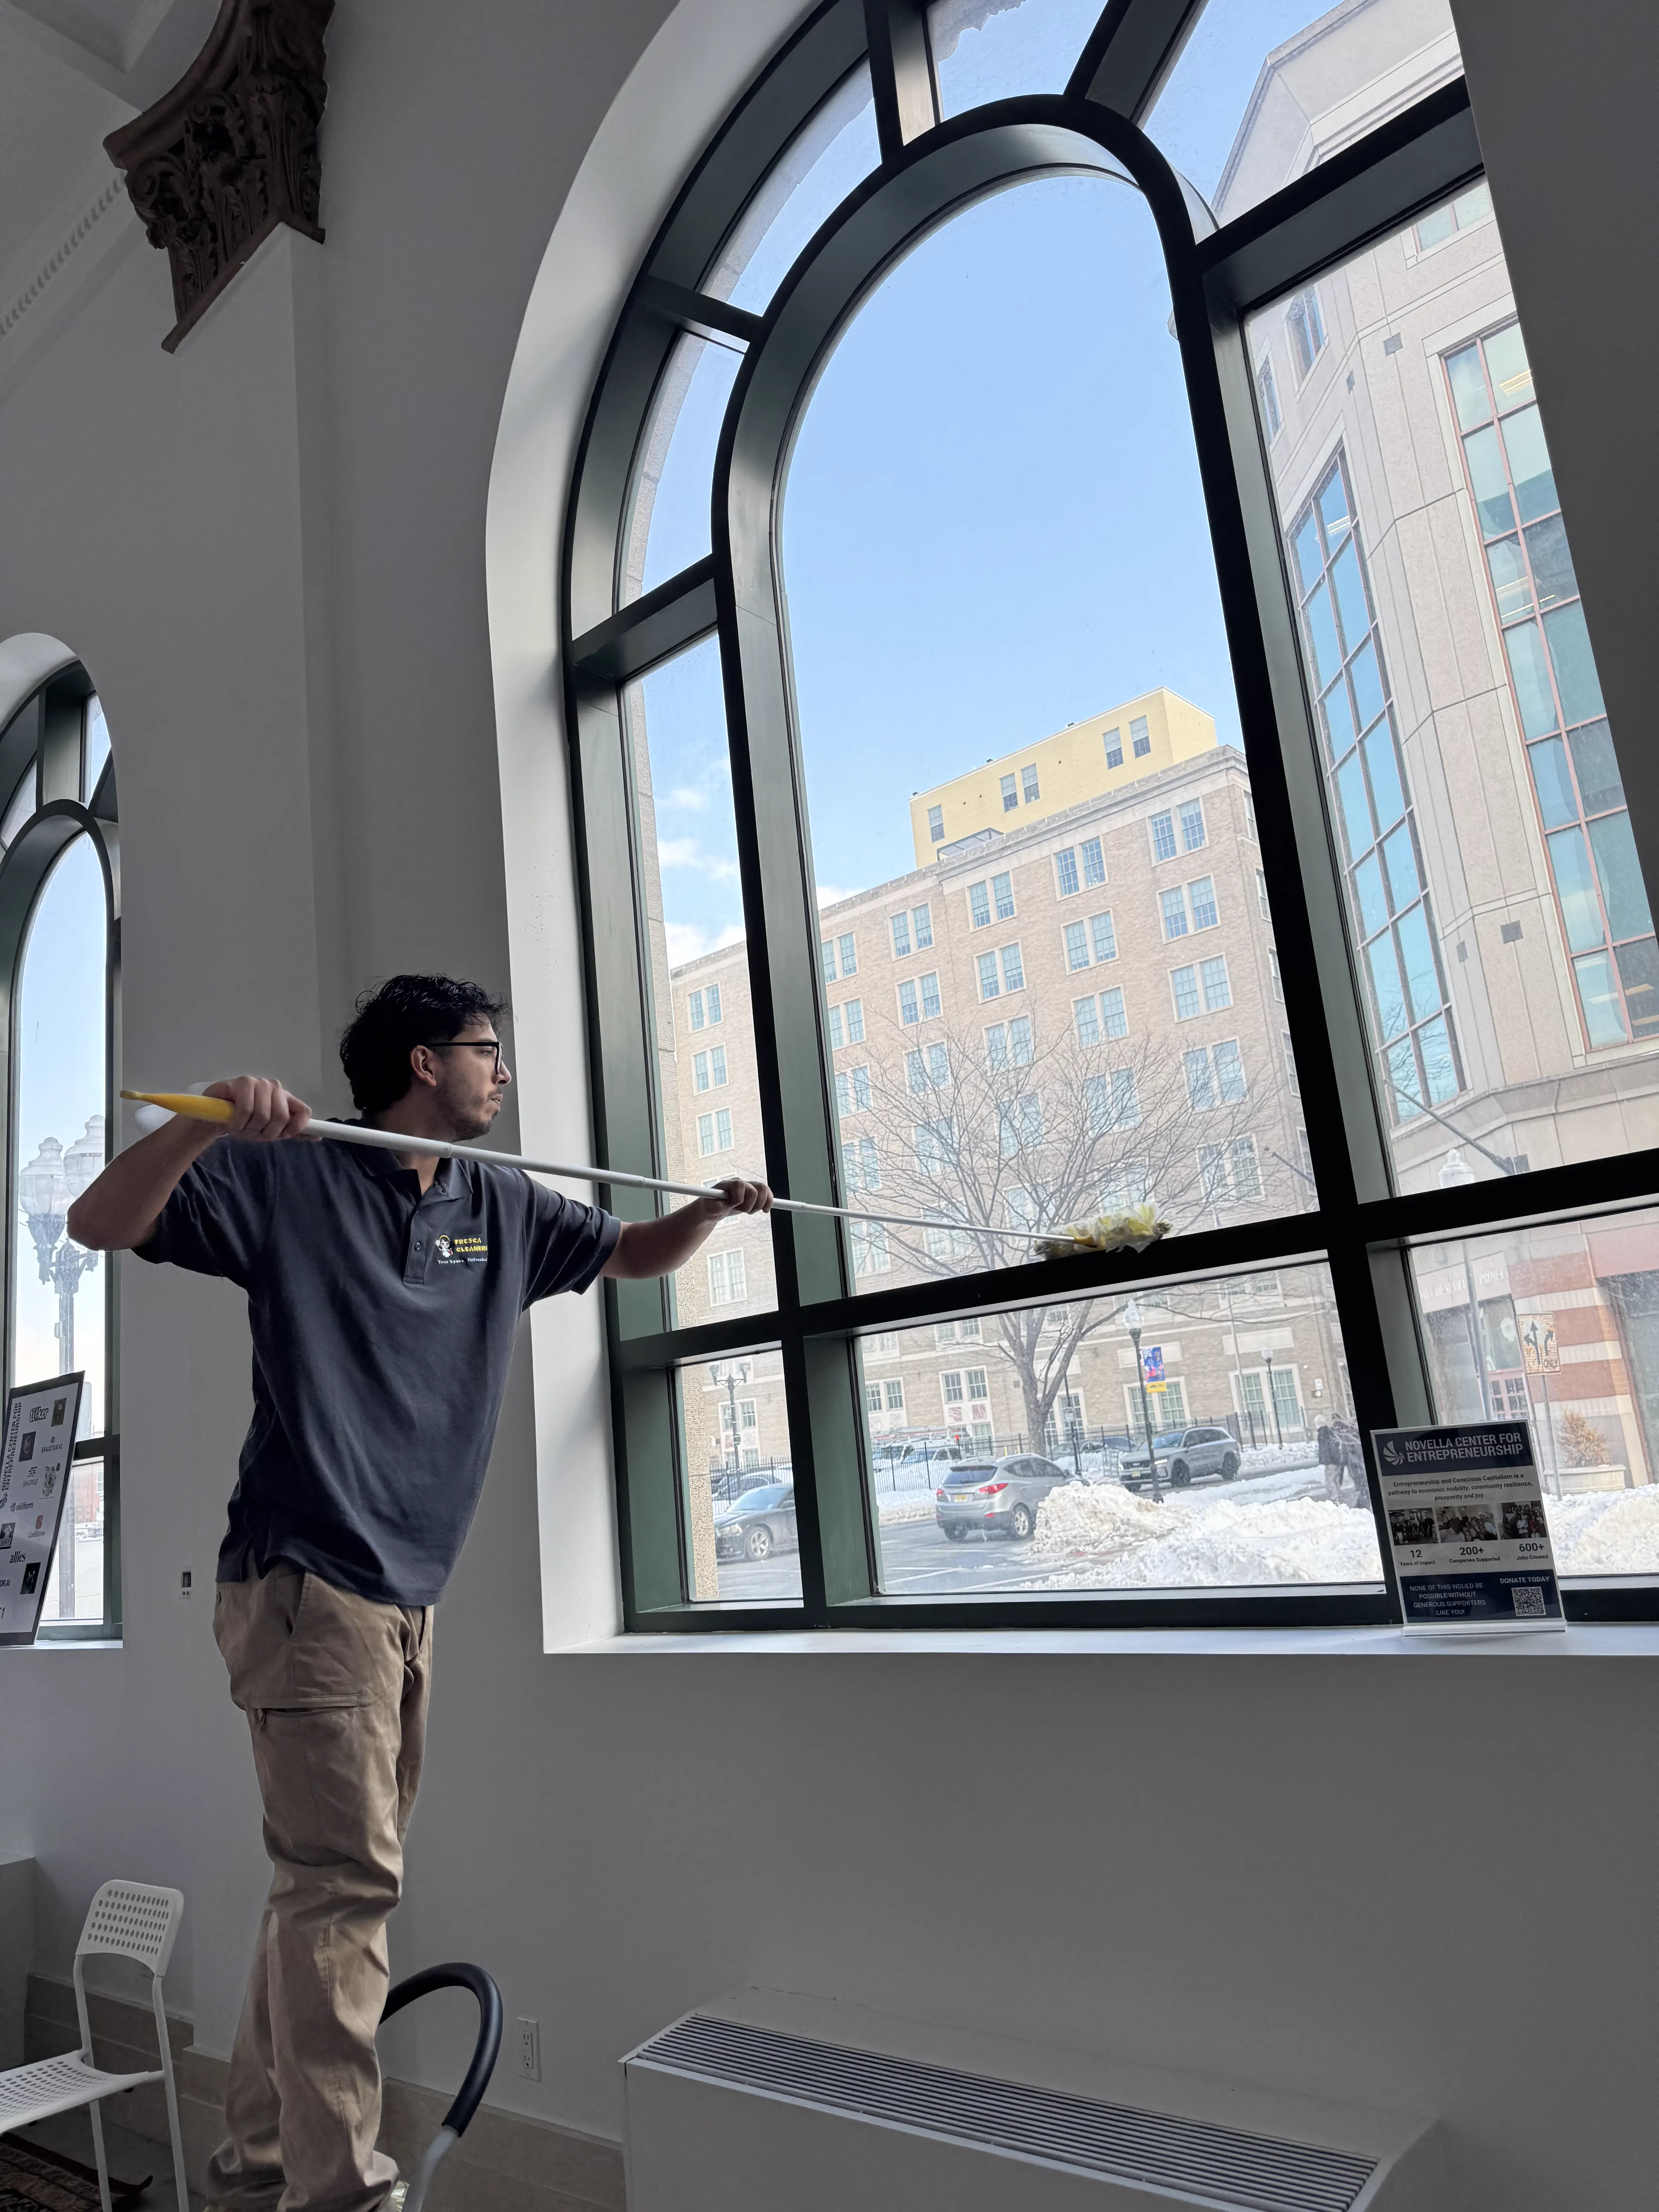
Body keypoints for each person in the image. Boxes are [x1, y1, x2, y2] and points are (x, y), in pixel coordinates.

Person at [68, 975, 770, 2212]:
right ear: (420, 1061)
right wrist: (206, 1122)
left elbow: (631, 1255)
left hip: (405, 1592)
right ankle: (340, 2190)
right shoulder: (286, 1174)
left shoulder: (498, 1202)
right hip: (308, 1577)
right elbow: (99, 1222)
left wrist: (714, 1214)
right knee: (344, 1890)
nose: (502, 1072)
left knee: (320, 1888)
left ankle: (256, 2163)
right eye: (485, 1051)